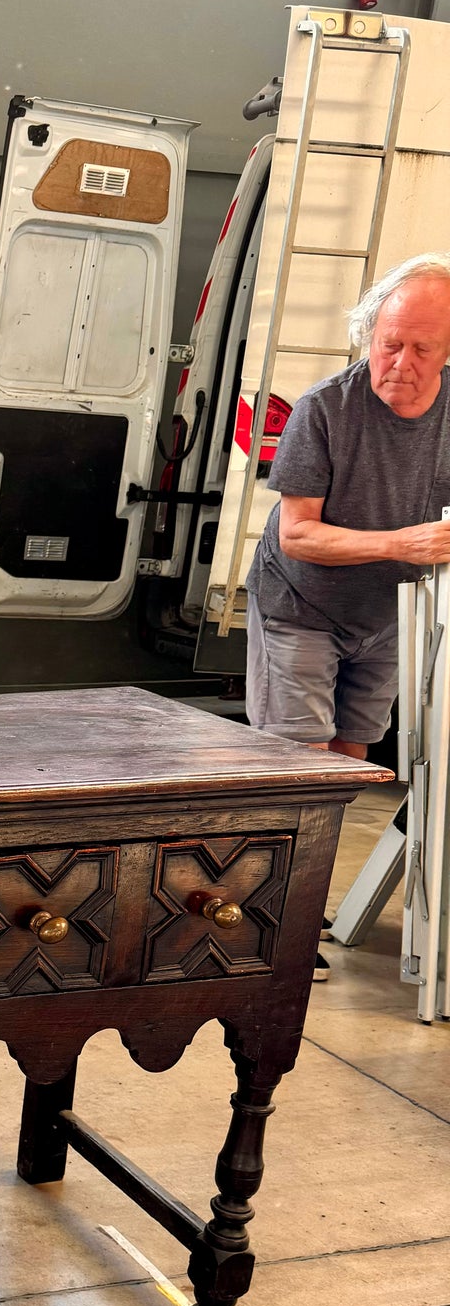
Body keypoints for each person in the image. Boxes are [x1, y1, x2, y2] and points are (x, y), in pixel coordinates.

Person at [244, 251, 450, 976]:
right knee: (296, 764)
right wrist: (403, 541)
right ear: (369, 334)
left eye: (423, 348)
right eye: (389, 342)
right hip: (301, 599)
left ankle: (298, 908)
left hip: (392, 610)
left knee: (350, 761)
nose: (401, 361)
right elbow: (299, 532)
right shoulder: (324, 408)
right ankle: (271, 927)